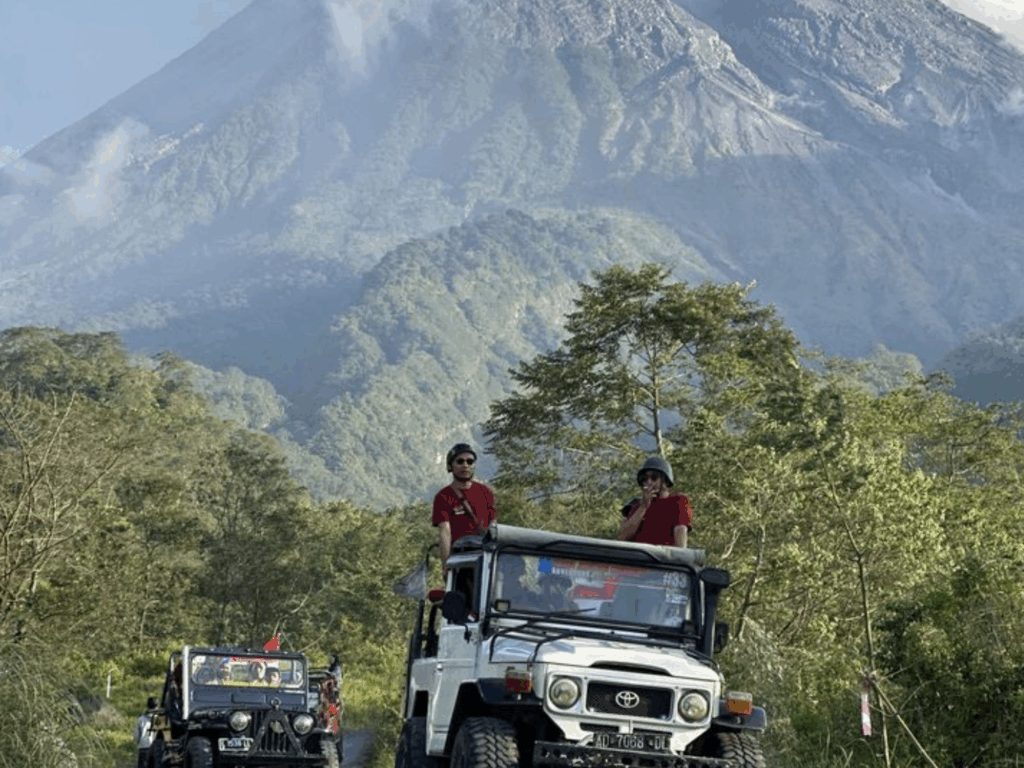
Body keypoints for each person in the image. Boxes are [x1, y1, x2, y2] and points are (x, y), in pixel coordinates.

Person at [433, 442, 496, 576]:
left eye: (470, 461)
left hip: (485, 556)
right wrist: (446, 564)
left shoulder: (486, 492)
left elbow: (493, 526)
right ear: (451, 465)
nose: (465, 465)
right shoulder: (443, 496)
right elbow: (445, 532)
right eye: (460, 461)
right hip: (460, 559)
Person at [619, 456, 692, 547]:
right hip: (638, 554)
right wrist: (644, 506)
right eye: (645, 478)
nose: (649, 482)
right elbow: (623, 536)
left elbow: (680, 533)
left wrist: (679, 554)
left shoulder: (678, 502)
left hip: (661, 554)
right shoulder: (637, 507)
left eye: (654, 477)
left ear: (664, 480)